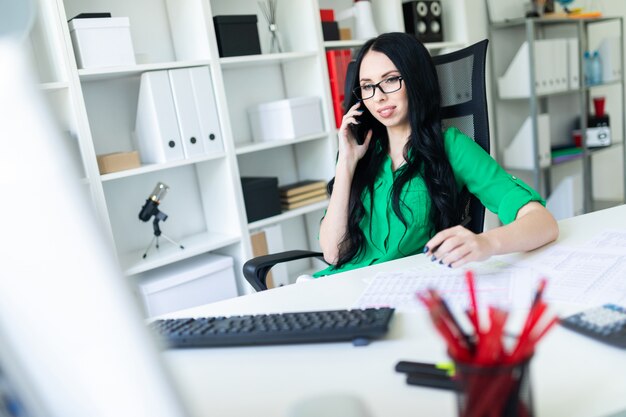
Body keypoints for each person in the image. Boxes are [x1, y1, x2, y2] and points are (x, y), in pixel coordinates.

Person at [314, 32, 558, 277]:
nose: (378, 96)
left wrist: (486, 243)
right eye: (367, 86)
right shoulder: (359, 153)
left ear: (416, 79)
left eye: (390, 80)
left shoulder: (451, 147)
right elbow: (333, 253)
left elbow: (543, 223)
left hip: (404, 290)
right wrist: (346, 163)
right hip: (341, 286)